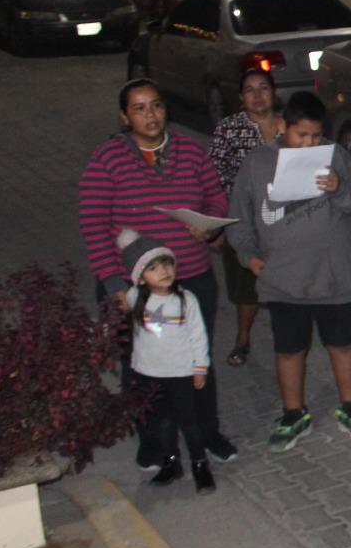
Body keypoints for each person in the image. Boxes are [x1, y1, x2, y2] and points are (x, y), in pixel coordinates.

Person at [79, 78, 237, 469]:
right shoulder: (108, 159)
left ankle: (207, 433)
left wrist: (211, 227)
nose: (150, 115)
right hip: (135, 287)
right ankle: (153, 442)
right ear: (124, 115)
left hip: (192, 278)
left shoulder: (189, 150)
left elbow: (215, 195)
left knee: (197, 359)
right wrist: (115, 283)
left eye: (156, 106)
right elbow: (93, 222)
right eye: (139, 108)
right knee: (140, 366)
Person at [225, 92, 351, 451]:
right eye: (301, 136)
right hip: (283, 277)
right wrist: (248, 256)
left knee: (342, 344)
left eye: (316, 136)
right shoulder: (257, 164)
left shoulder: (335, 156)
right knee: (289, 349)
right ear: (282, 127)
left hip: (333, 274)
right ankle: (294, 414)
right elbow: (240, 217)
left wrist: (340, 189)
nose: (310, 143)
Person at [118, 230, 216, 493]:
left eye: (167, 264)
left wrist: (199, 367)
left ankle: (199, 464)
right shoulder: (135, 298)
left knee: (188, 421)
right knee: (162, 422)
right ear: (139, 277)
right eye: (153, 268)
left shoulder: (185, 300)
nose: (163, 271)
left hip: (181, 372)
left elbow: (199, 336)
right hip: (150, 373)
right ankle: (171, 463)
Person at [209, 67, 280, 366]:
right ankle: (242, 339)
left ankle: (287, 341)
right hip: (243, 224)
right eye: (250, 90)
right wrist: (219, 226)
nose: (257, 95)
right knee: (245, 289)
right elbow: (212, 179)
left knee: (285, 283)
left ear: (274, 92)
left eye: (263, 88)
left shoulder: (291, 128)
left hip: (284, 223)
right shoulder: (228, 129)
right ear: (241, 97)